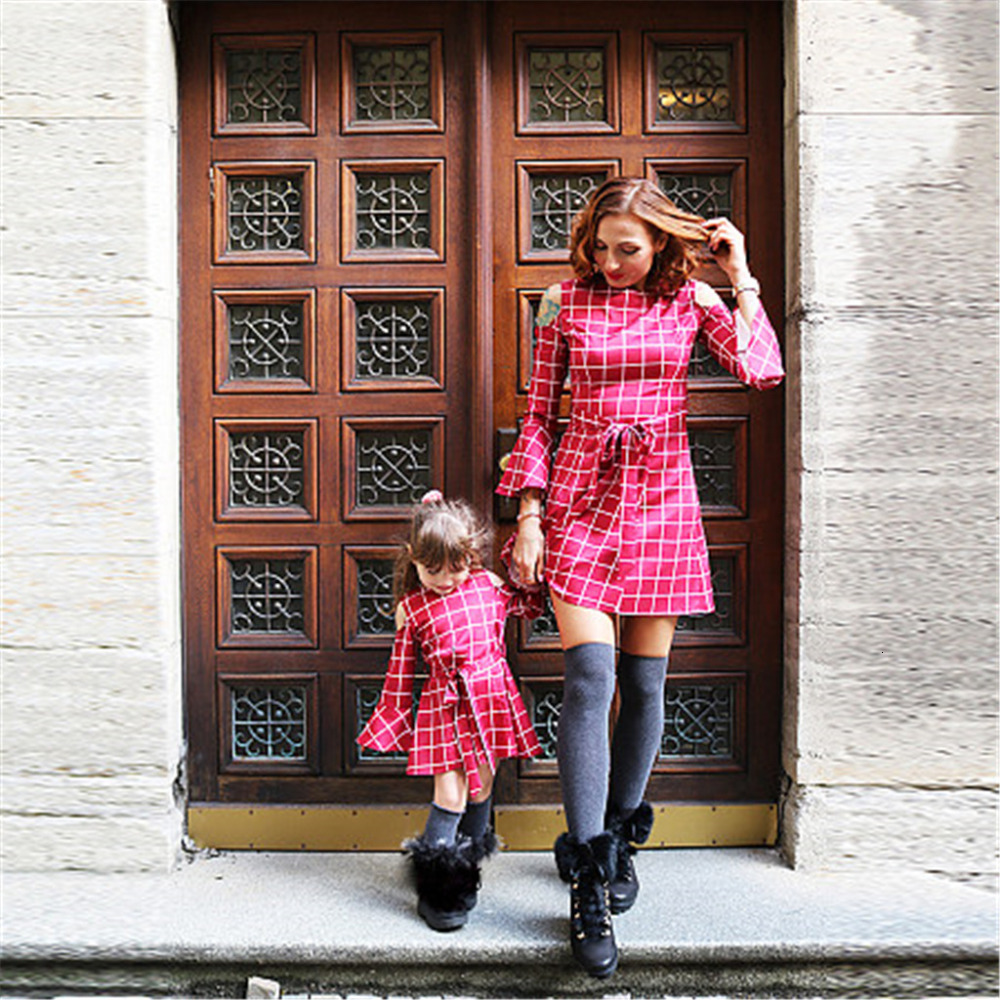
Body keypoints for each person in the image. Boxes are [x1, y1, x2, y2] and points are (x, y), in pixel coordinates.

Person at [496, 176, 784, 977]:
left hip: (660, 499)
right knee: (590, 671)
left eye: (629, 248)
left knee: (645, 682)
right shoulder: (563, 302)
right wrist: (527, 515)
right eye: (601, 246)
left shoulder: (690, 301)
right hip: (580, 499)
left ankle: (620, 838)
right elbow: (538, 413)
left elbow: (761, 371)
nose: (612, 261)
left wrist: (741, 276)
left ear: (661, 243)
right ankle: (588, 879)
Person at [357, 490, 544, 932]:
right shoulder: (413, 609)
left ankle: (467, 870)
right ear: (413, 559)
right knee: (450, 795)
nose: (444, 579)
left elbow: (532, 604)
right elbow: (400, 675)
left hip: (492, 700)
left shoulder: (489, 587)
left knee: (480, 790)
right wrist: (391, 720)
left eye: (455, 567)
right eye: (431, 569)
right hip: (444, 708)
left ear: (471, 557)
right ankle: (438, 888)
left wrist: (524, 569)